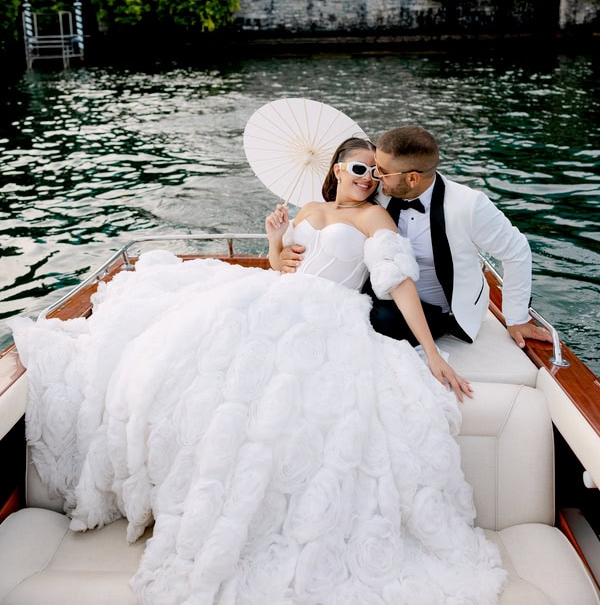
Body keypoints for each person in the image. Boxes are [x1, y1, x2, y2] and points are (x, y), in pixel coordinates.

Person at [9, 136, 506, 604]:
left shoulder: (376, 218)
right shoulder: (310, 210)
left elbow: (396, 283)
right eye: (359, 169)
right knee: (194, 351)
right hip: (276, 297)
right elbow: (281, 268)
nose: (369, 179)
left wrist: (432, 353)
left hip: (329, 314)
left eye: (375, 173)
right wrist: (273, 242)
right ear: (337, 169)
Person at [281, 126, 552, 351]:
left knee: (375, 323)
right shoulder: (381, 190)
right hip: (376, 290)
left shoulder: (470, 205)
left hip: (437, 307)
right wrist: (284, 252)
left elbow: (517, 251)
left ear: (411, 178)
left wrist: (516, 317)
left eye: (382, 172)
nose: (374, 178)